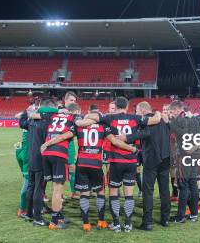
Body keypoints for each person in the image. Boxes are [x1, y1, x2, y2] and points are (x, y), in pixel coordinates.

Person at [41, 103, 138, 232]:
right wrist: (131, 148)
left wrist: (48, 143)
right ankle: (101, 221)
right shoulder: (103, 126)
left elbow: (64, 136)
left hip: (81, 163)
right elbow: (115, 141)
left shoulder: (79, 127)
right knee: (100, 192)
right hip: (96, 163)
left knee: (84, 194)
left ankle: (86, 223)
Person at [81, 97, 162, 232]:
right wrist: (158, 112)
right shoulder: (136, 118)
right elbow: (156, 120)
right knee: (129, 194)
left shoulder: (109, 117)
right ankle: (128, 224)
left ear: (116, 106)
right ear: (127, 106)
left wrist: (91, 116)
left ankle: (116, 223)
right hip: (131, 161)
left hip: (115, 161)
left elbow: (91, 116)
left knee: (114, 193)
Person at [121, 101, 172, 230]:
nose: (137, 114)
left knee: (148, 191)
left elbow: (144, 134)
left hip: (152, 159)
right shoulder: (163, 120)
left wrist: (125, 137)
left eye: (137, 111)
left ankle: (147, 222)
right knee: (164, 190)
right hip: (166, 157)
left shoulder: (147, 121)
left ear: (143, 111)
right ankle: (165, 219)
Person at [30, 101, 77, 230]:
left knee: (52, 187)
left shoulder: (52, 116)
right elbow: (66, 135)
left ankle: (57, 215)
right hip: (58, 153)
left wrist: (57, 112)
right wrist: (49, 142)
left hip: (46, 155)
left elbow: (33, 115)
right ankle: (55, 221)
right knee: (57, 189)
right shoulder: (74, 119)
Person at [19, 99, 58, 227]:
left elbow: (21, 123)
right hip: (42, 158)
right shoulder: (49, 120)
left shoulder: (32, 120)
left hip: (31, 158)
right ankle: (37, 218)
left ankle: (29, 214)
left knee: (31, 186)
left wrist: (26, 112)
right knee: (39, 188)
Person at [168, 101, 200, 223]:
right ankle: (194, 214)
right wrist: (194, 148)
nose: (170, 114)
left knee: (183, 187)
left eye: (171, 111)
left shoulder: (180, 119)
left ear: (177, 110)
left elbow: (184, 133)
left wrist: (170, 123)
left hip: (184, 156)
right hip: (196, 155)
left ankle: (181, 216)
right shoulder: (194, 119)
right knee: (193, 185)